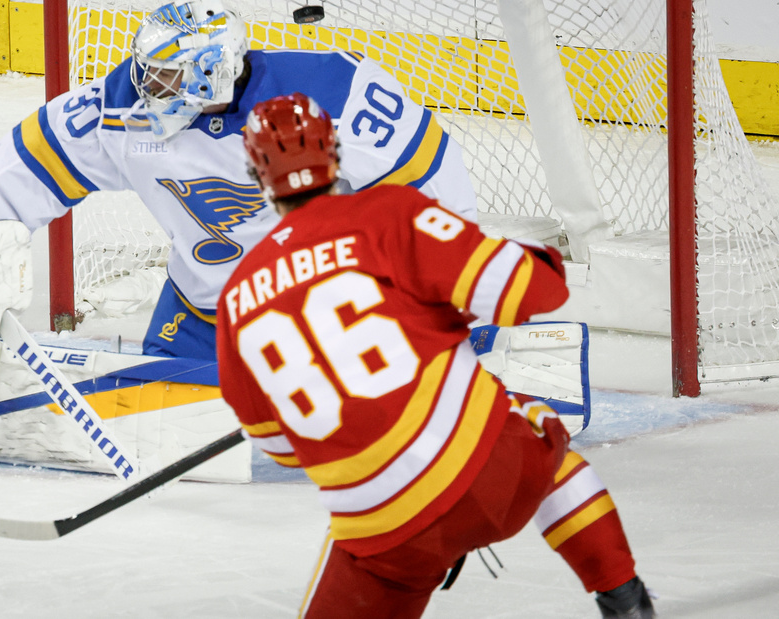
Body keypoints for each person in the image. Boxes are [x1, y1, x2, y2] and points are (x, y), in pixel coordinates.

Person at [215, 93, 656, 618]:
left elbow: (283, 449)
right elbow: (529, 292)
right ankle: (624, 599)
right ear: (333, 152)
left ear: (255, 174)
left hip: (382, 532)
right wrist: (543, 260)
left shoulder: (235, 298)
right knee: (543, 442)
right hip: (491, 473)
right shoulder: (386, 212)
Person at [0, 0, 477, 360]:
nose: (145, 89)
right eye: (146, 73)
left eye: (165, 77)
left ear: (213, 72)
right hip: (204, 311)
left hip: (327, 311)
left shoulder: (331, 95)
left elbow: (430, 172)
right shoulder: (126, 106)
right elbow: (29, 158)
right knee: (161, 416)